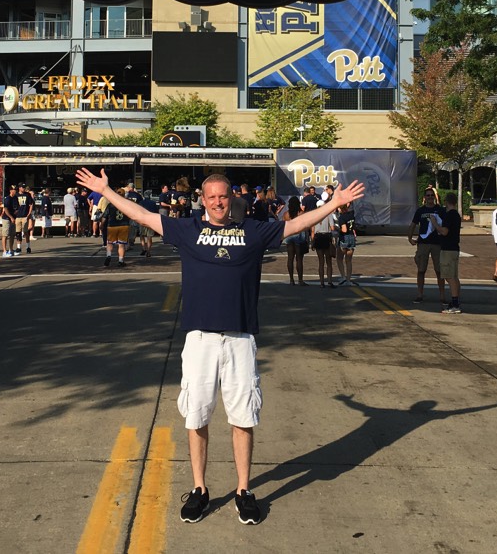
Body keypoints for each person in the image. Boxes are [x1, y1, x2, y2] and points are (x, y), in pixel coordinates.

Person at [73, 166, 364, 526]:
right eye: (210, 197)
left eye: (222, 196)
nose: (217, 202)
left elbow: (295, 226)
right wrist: (107, 192)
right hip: (200, 339)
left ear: (231, 198)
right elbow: (144, 216)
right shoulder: (187, 229)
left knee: (243, 417)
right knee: (197, 415)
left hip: (240, 337)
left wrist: (334, 204)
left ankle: (244, 490)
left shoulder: (253, 232)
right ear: (203, 200)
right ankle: (200, 489)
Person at [407, 187, 445, 305]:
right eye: (428, 195)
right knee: (421, 270)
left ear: (434, 197)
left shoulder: (440, 210)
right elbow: (413, 224)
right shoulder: (420, 211)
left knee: (439, 270)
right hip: (423, 243)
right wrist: (409, 238)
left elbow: (445, 225)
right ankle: (419, 294)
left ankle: (442, 296)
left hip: (437, 243)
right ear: (424, 198)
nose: (430, 197)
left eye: (431, 195)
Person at [435, 193, 464, 313]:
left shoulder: (449, 215)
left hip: (448, 249)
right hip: (454, 248)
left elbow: (444, 231)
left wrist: (435, 224)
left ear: (447, 202)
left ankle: (455, 303)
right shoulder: (456, 215)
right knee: (454, 276)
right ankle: (455, 300)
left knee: (448, 276)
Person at [282, 196, 306, 285]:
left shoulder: (286, 214)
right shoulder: (301, 213)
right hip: (299, 235)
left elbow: (283, 225)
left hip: (289, 235)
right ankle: (300, 280)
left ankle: (291, 279)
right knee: (299, 259)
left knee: (290, 258)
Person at [312, 206, 337, 288]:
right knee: (328, 262)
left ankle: (322, 282)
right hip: (326, 236)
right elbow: (332, 227)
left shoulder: (315, 215)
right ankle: (329, 281)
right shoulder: (328, 214)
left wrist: (312, 242)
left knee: (321, 262)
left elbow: (312, 230)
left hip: (318, 237)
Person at [333, 201, 357, 286]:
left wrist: (336, 228)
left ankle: (343, 276)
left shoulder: (342, 217)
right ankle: (348, 279)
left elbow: (344, 230)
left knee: (339, 258)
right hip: (351, 237)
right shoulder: (351, 215)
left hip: (344, 237)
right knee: (349, 260)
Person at [0, 184, 20, 257]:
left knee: (12, 234)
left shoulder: (15, 198)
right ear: (10, 190)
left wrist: (17, 211)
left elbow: (17, 206)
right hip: (7, 218)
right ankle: (4, 251)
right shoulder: (7, 199)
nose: (15, 191)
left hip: (13, 218)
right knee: (5, 234)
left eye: (16, 190)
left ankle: (11, 249)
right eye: (14, 190)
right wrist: (11, 217)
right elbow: (5, 209)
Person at [15, 182, 33, 251]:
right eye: (22, 187)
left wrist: (29, 213)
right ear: (19, 188)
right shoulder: (16, 195)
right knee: (18, 233)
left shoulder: (27, 195)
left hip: (25, 215)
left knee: (25, 232)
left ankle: (28, 246)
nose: (23, 189)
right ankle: (18, 247)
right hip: (18, 216)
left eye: (24, 187)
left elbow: (31, 204)